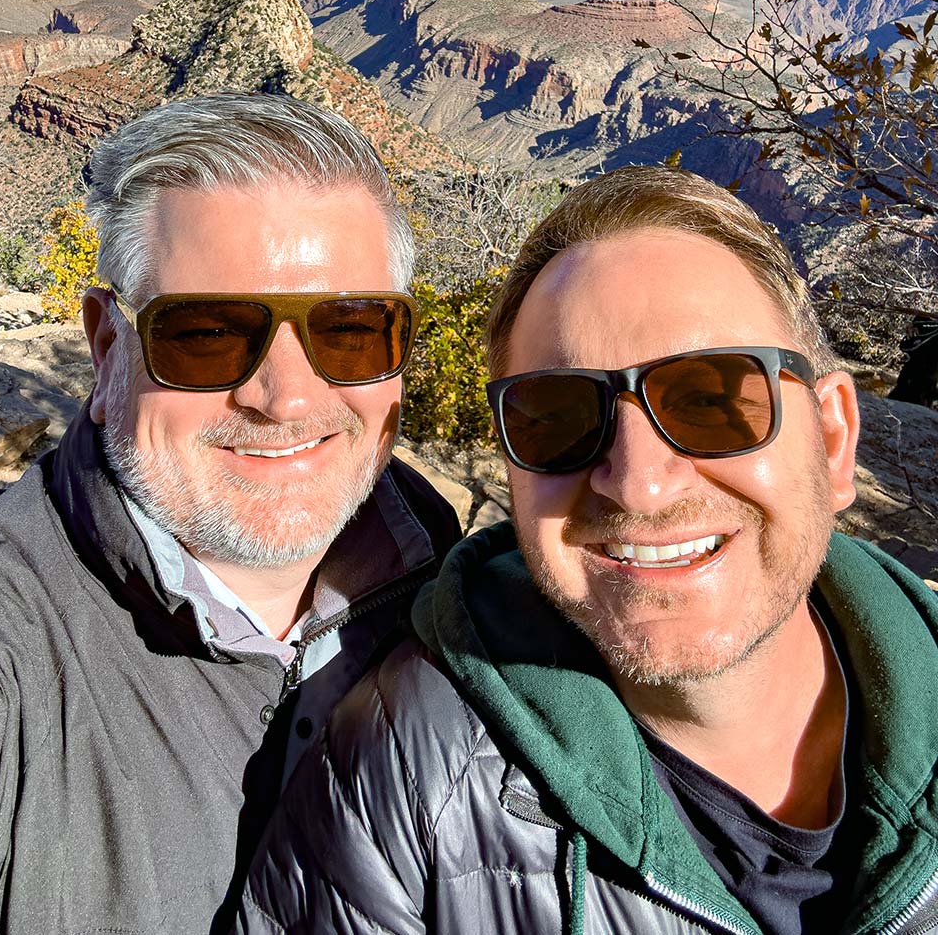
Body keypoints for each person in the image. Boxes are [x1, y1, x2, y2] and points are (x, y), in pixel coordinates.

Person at [240, 165, 938, 935]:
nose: (638, 483)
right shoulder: (402, 782)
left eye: (711, 399)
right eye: (559, 416)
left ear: (834, 440)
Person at [0, 92, 463, 934]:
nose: (285, 396)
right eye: (209, 333)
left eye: (351, 330)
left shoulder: (468, 601)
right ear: (109, 346)